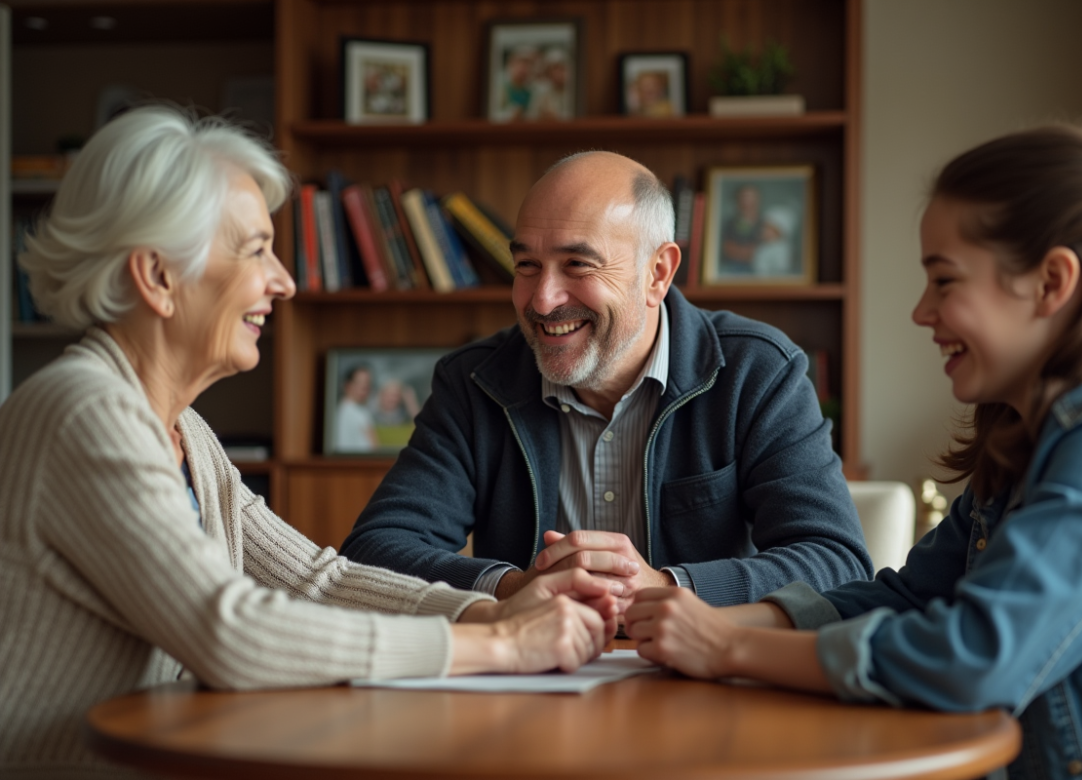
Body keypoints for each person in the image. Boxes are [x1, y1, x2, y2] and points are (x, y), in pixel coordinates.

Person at [0, 106, 618, 777]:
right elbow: (229, 633)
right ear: (157, 276)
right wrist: (501, 648)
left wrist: (494, 607)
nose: (284, 281)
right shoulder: (81, 412)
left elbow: (312, 582)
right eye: (254, 249)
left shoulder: (184, 434)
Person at [624, 126, 1082, 779]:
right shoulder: (1024, 440)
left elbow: (973, 658)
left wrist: (729, 648)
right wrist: (698, 623)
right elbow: (910, 599)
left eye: (944, 281)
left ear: (1052, 282)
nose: (920, 311)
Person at [341, 150, 871, 611]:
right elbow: (375, 550)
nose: (543, 300)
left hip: (706, 687)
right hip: (530, 687)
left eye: (577, 264)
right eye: (526, 265)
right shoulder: (474, 381)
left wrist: (666, 588)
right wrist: (511, 589)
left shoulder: (758, 372)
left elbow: (836, 562)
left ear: (657, 274)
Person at [719, 184, 765, 273]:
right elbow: (728, 250)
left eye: (751, 198)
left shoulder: (766, 223)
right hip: (735, 267)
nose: (747, 202)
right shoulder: (730, 223)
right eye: (744, 197)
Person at [335, 363, 377, 451]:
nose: (365, 387)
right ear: (347, 385)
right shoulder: (345, 413)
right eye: (360, 382)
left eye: (367, 383)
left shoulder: (360, 411)